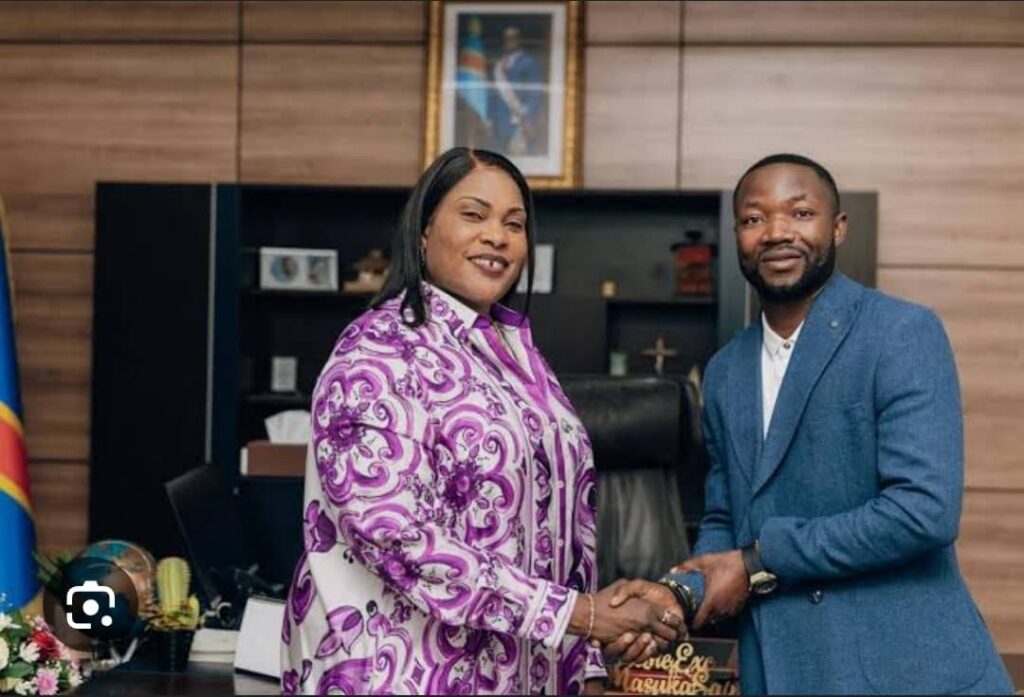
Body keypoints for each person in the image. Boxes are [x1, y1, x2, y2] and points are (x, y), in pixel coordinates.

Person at [607, 154, 1014, 694]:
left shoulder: (901, 332)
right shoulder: (725, 371)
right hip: (781, 667)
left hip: (900, 668)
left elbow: (924, 512)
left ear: (838, 227)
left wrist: (758, 561)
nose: (776, 232)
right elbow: (727, 517)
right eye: (754, 219)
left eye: (800, 213)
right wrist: (678, 594)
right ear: (737, 237)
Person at [280, 147, 681, 695]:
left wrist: (584, 660)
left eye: (514, 224)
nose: (497, 236)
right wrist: (578, 615)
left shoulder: (517, 355)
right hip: (403, 675)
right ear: (424, 231)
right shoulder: (376, 354)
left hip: (522, 677)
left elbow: (567, 536)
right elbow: (393, 535)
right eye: (474, 215)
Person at [491, 26, 543, 156]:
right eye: (506, 38)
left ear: (519, 40)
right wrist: (490, 117)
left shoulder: (529, 62)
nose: (509, 41)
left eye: (513, 38)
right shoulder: (499, 65)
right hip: (499, 121)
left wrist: (527, 115)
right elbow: (493, 94)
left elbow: (535, 92)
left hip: (520, 120)